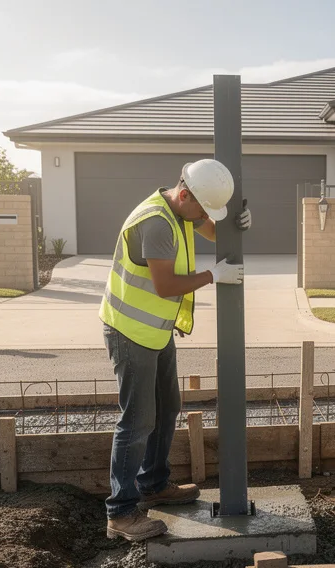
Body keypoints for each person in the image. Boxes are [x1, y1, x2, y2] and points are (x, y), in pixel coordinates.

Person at [101, 159, 252, 542]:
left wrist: (235, 225)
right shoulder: (156, 223)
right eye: (202, 209)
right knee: (137, 420)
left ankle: (153, 484)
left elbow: (213, 232)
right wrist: (212, 275)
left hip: (154, 330)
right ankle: (120, 513)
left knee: (167, 408)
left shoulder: (182, 208)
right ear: (184, 194)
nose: (203, 218)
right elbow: (166, 286)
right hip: (130, 331)